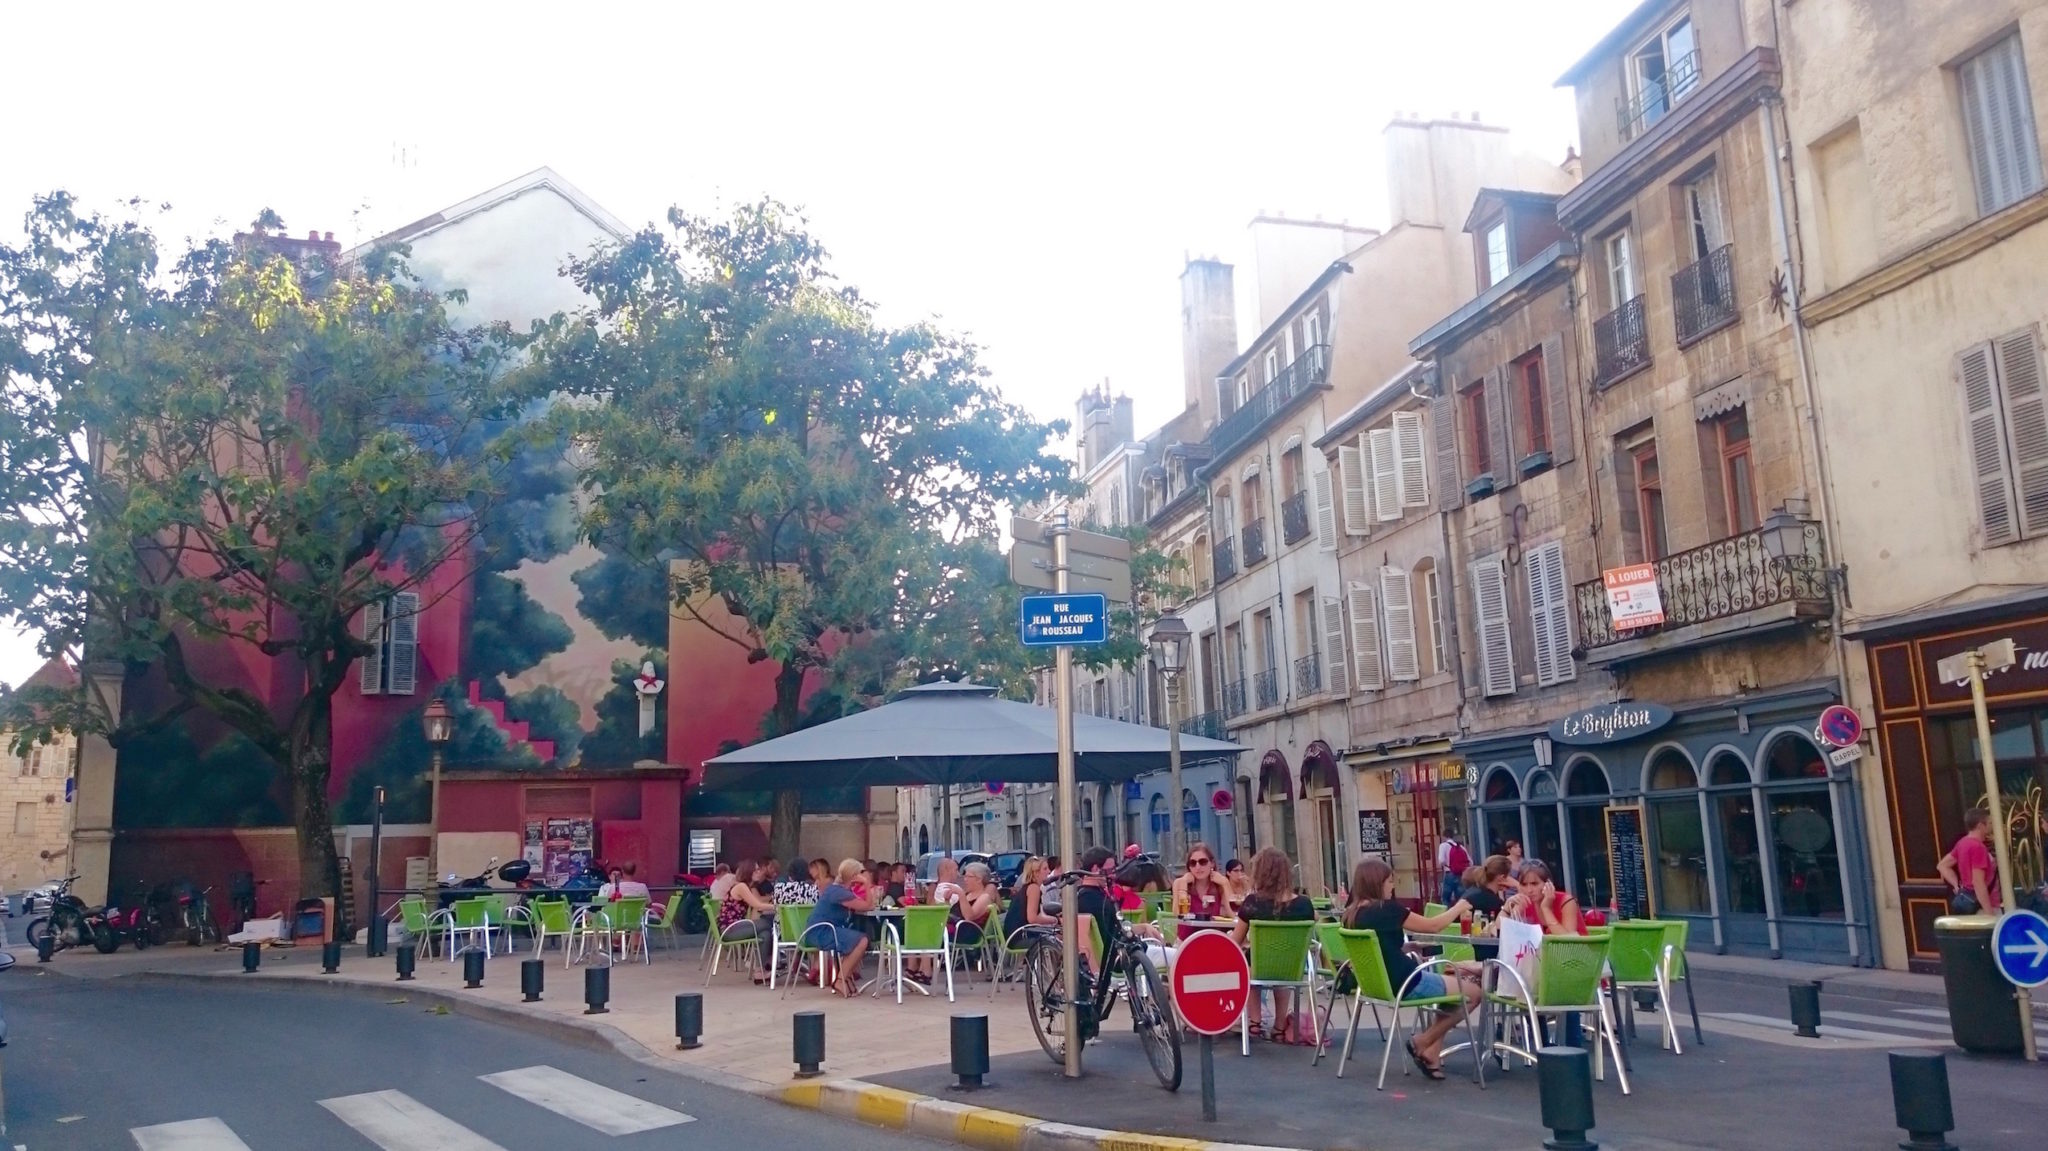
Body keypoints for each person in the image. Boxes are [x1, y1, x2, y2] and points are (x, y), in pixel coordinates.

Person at [1343, 859, 1483, 1080]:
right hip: (1407, 981)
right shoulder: (1387, 909)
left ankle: (1432, 1056)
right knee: (1474, 993)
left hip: (1378, 983)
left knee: (1453, 990)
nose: (1392, 887)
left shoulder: (1351, 914)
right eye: (1390, 881)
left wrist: (1408, 946)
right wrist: (1459, 906)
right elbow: (1433, 926)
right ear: (1376, 883)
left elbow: (1378, 947)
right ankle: (1423, 1041)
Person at [1230, 847, 1317, 1044]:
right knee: (1283, 960)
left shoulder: (1253, 903)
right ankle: (1279, 1026)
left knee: (1248, 957)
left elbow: (1235, 940)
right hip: (1292, 967)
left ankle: (1255, 1021)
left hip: (1259, 968)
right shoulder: (1305, 905)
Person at [806, 859, 877, 998]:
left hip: (824, 929)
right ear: (853, 875)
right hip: (822, 932)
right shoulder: (839, 892)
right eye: (860, 873)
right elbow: (869, 906)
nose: (863, 875)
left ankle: (846, 978)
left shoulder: (838, 890)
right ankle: (840, 980)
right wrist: (867, 884)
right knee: (862, 940)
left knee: (856, 938)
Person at [715, 861, 778, 983]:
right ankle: (770, 960)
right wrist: (778, 907)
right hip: (730, 930)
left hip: (736, 927)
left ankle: (760, 971)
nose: (759, 872)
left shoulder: (745, 886)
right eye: (756, 870)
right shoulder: (741, 887)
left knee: (765, 934)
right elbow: (758, 905)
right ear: (749, 872)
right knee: (768, 924)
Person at [1938, 807, 2001, 914]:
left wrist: (1957, 885)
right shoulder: (1978, 847)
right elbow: (1978, 882)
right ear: (1981, 826)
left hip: (1971, 902)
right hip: (1985, 905)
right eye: (1989, 823)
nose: (1992, 826)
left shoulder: (1962, 843)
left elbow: (1942, 865)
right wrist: (1989, 912)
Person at [1502, 860, 1583, 935]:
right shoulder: (1524, 902)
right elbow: (1499, 933)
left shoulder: (1566, 901)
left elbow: (1568, 941)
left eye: (1534, 884)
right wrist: (1506, 908)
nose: (1529, 890)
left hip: (1577, 949)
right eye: (1524, 884)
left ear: (1548, 883)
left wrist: (1546, 909)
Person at [1171, 843, 1232, 939]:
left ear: (1212, 863)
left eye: (1202, 862)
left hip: (1214, 940)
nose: (1198, 867)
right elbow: (1177, 914)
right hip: (1187, 941)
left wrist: (1225, 884)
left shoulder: (1219, 884)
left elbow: (1232, 915)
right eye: (1193, 863)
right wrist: (1184, 884)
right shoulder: (1179, 883)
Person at [1002, 856, 1058, 943]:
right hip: (1020, 936)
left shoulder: (1028, 887)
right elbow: (1032, 918)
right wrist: (1054, 920)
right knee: (1057, 937)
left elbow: (1037, 914)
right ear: (1036, 873)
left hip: (1015, 934)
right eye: (1045, 869)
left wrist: (1051, 919)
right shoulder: (1033, 888)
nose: (1049, 871)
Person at [953, 861, 999, 951]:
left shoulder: (984, 897)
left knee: (931, 935)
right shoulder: (967, 894)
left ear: (979, 879)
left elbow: (969, 917)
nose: (965, 879)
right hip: (956, 929)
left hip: (967, 934)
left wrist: (961, 894)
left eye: (968, 876)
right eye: (964, 876)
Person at [1437, 834, 1471, 905]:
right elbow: (1470, 862)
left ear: (1443, 836)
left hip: (1449, 873)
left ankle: (1448, 914)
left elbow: (1441, 860)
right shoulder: (1461, 846)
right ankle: (1461, 914)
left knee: (1446, 898)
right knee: (1461, 897)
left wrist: (1447, 865)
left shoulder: (1443, 845)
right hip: (1461, 874)